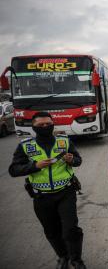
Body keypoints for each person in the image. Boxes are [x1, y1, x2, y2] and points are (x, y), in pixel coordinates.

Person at [8, 112, 86, 269]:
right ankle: (63, 256)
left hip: (66, 192)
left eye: (48, 124)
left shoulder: (64, 141)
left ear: (52, 124)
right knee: (51, 230)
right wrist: (34, 166)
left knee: (71, 228)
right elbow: (13, 170)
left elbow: (78, 160)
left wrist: (72, 160)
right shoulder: (26, 146)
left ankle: (76, 259)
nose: (45, 127)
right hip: (41, 197)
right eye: (40, 125)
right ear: (34, 127)